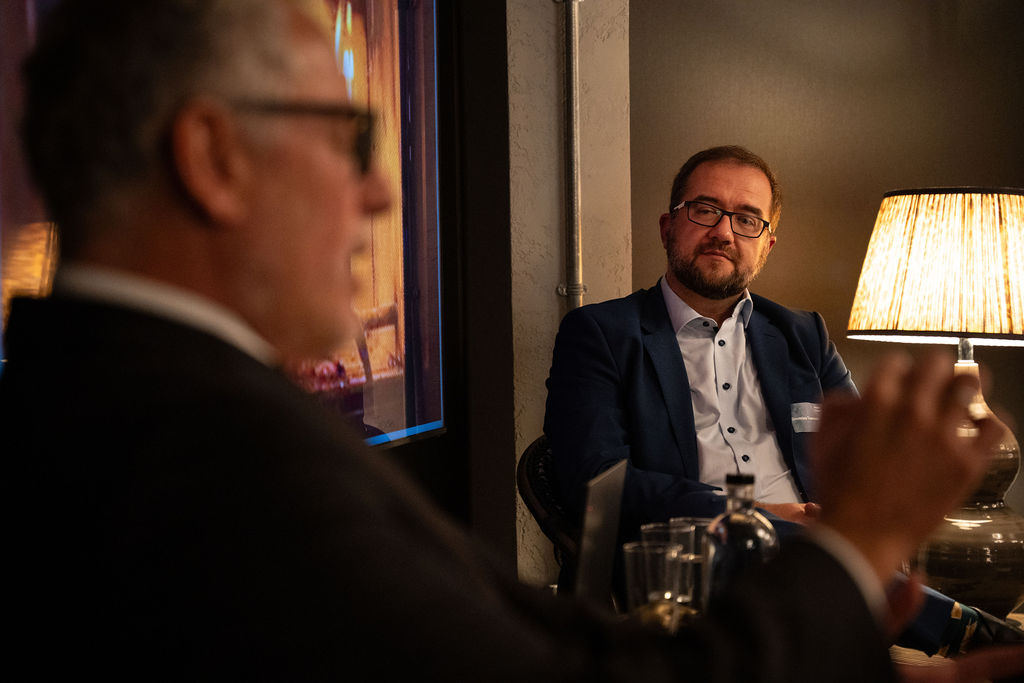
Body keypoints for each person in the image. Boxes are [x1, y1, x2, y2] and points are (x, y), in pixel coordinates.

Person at [1, 2, 1021, 681]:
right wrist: (855, 543)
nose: (381, 192)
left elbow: (523, 629)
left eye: (747, 217)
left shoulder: (164, 406)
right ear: (213, 156)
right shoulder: (196, 468)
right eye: (350, 140)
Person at [543, 145, 1024, 654]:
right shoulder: (601, 333)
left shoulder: (802, 333)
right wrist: (752, 513)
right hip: (692, 561)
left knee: (831, 554)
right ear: (668, 226)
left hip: (819, 550)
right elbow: (597, 481)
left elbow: (862, 456)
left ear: (767, 244)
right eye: (705, 210)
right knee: (786, 548)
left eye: (747, 219)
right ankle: (976, 637)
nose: (724, 232)